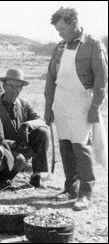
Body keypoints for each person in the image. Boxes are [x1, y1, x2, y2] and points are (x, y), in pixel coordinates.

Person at [45, 7, 108, 211]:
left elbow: (101, 80)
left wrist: (95, 107)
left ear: (74, 23)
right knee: (65, 145)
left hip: (82, 101)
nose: (60, 33)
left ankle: (85, 193)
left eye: (62, 28)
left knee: (80, 147)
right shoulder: (60, 47)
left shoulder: (93, 45)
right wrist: (48, 107)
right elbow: (51, 79)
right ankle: (70, 188)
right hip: (61, 101)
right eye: (58, 30)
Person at [0, 69, 49, 187]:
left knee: (42, 132)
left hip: (23, 147)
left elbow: (41, 121)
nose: (14, 90)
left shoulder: (25, 104)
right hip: (5, 150)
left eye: (18, 86)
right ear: (4, 85)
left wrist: (26, 125)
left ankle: (37, 175)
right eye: (10, 86)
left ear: (22, 88)